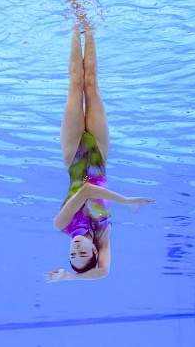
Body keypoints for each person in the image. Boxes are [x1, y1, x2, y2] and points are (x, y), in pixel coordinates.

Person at [44, 27, 155, 282]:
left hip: (73, 154)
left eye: (73, 256)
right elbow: (104, 272)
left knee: (75, 81)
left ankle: (74, 24)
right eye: (83, 254)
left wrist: (124, 201)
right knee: (91, 83)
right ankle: (89, 24)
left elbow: (86, 191)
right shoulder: (103, 235)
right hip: (99, 156)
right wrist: (73, 277)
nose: (76, 251)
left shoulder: (61, 224)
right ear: (95, 251)